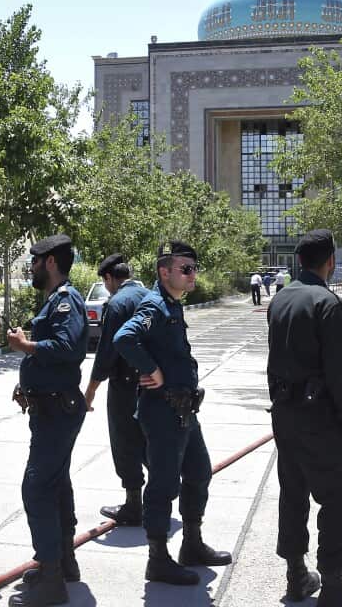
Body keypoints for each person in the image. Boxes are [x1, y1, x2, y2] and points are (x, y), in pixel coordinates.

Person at [115, 240, 233, 588]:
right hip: (163, 412)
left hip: (183, 411)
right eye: (186, 269)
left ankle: (192, 544)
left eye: (194, 268)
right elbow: (125, 338)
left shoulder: (172, 305)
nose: (192, 274)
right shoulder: (154, 305)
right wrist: (153, 369)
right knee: (163, 485)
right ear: (164, 271)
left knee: (198, 472)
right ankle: (158, 559)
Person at [266, 230, 342, 605]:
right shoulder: (327, 302)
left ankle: (295, 578)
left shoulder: (280, 299)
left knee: (293, 495)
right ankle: (333, 587)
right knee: (337, 498)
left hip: (286, 414)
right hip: (320, 417)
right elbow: (340, 371)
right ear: (330, 261)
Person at [6, 235, 88, 607]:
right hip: (49, 408)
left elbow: (69, 349)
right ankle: (61, 562)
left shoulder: (66, 300)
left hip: (58, 410)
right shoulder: (54, 300)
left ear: (51, 262)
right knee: (55, 485)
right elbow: (49, 349)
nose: (32, 267)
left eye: (36, 261)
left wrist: (27, 348)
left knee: (37, 488)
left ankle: (53, 580)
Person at [83, 254, 149, 526]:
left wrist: (91, 390)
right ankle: (160, 498)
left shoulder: (117, 303)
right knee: (151, 440)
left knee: (125, 442)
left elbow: (106, 353)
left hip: (125, 386)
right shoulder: (149, 296)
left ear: (109, 278)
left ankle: (134, 505)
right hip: (152, 383)